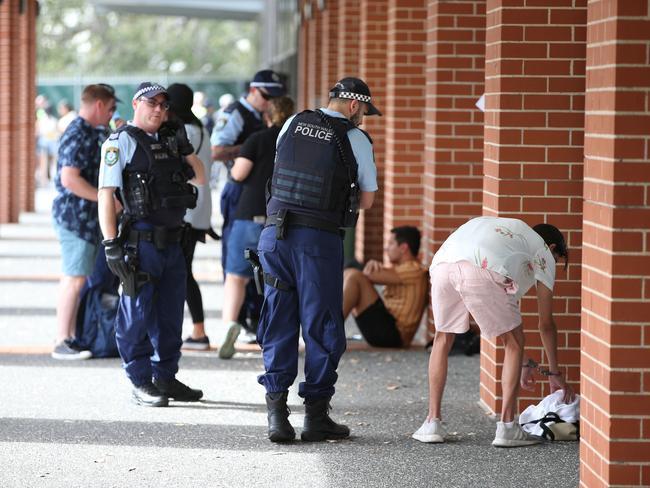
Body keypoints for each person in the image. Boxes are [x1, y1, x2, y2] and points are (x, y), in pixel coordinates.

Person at [257, 77, 381, 443]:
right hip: (317, 241)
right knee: (322, 325)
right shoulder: (354, 138)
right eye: (364, 113)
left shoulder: (292, 124)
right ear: (355, 106)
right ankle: (315, 416)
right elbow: (368, 201)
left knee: (278, 320)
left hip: (275, 236)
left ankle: (277, 416)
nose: (363, 120)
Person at [412, 217, 576, 447]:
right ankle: (508, 426)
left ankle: (432, 422)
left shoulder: (511, 239)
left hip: (442, 266)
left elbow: (489, 318)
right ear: (553, 249)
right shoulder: (543, 251)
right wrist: (554, 373)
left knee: (443, 337)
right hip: (481, 267)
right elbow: (546, 324)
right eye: (558, 261)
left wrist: (523, 360)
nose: (553, 267)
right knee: (515, 341)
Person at [97, 82, 206, 407]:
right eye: (151, 103)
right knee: (136, 315)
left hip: (173, 243)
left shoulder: (170, 140)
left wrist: (185, 148)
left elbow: (200, 177)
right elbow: (106, 193)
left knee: (171, 315)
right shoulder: (121, 142)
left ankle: (165, 377)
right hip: (139, 244)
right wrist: (110, 243)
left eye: (163, 105)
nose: (158, 110)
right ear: (136, 103)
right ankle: (141, 380)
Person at [211, 70, 286, 353]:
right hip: (241, 193)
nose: (270, 102)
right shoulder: (237, 114)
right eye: (267, 96)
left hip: (259, 195)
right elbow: (217, 151)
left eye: (275, 98)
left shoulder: (261, 121)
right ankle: (238, 320)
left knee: (258, 264)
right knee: (237, 261)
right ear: (253, 90)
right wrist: (253, 148)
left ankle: (253, 319)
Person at [51, 84, 119, 360]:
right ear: (99, 105)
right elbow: (70, 178)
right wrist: (104, 199)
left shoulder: (95, 132)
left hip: (84, 220)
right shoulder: (78, 132)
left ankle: (70, 336)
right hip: (75, 218)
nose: (113, 114)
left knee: (77, 278)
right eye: (112, 108)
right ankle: (62, 340)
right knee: (74, 279)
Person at [165, 83, 214, 351]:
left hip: (187, 211)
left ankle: (199, 331)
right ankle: (197, 330)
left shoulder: (185, 132)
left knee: (181, 272)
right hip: (199, 211)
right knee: (184, 270)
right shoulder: (200, 129)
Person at [343, 226, 428, 348]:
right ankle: (326, 329)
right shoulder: (401, 269)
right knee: (350, 273)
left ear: (403, 248)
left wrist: (371, 265)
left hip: (395, 336)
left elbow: (369, 275)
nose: (386, 248)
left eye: (391, 243)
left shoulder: (414, 270)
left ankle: (329, 333)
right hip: (387, 330)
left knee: (355, 277)